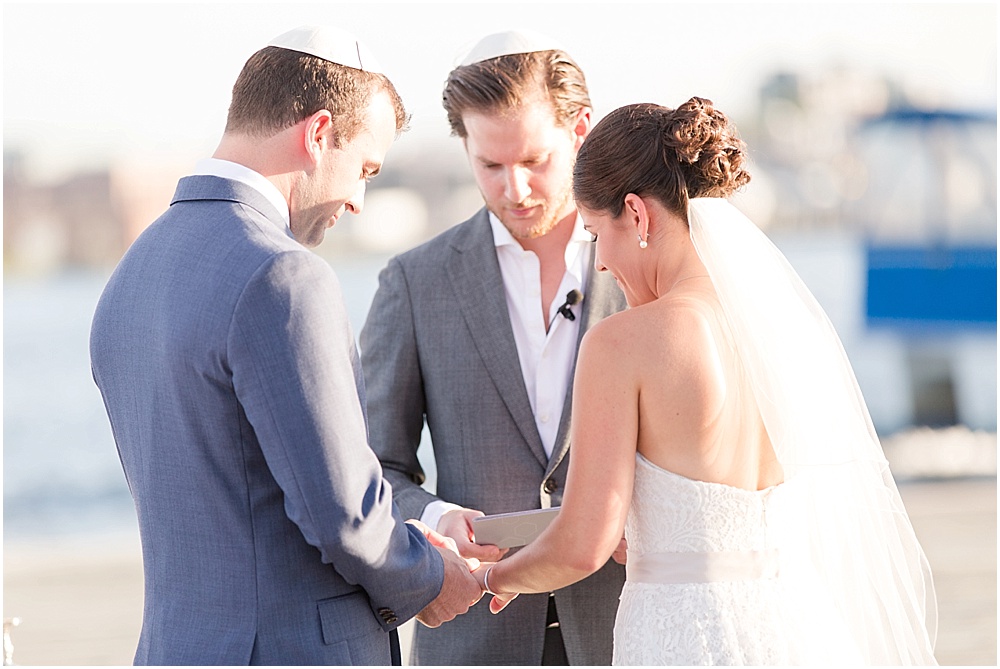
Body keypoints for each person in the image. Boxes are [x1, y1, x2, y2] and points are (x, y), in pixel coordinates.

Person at [471, 97, 940, 665]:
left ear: (637, 215)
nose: (599, 264)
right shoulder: (784, 329)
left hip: (685, 637)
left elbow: (583, 545)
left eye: (596, 234)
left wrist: (493, 578)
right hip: (795, 627)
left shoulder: (622, 343)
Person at [89, 25, 483, 666]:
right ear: (319, 132)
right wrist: (433, 579)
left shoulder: (130, 275)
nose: (357, 199)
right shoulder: (283, 275)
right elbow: (344, 515)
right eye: (365, 169)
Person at [359, 30, 627, 665]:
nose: (516, 189)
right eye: (491, 166)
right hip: (475, 636)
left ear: (581, 130)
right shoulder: (414, 283)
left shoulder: (646, 267)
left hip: (630, 626)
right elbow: (371, 469)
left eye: (535, 160)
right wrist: (439, 517)